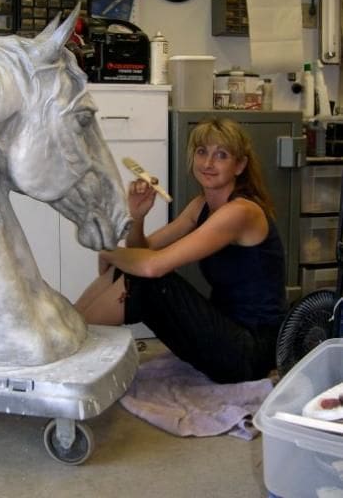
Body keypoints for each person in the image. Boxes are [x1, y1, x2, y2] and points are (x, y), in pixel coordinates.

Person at [75, 117, 288, 383]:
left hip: (252, 351)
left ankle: (69, 343)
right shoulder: (200, 206)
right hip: (226, 333)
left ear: (240, 165)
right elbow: (141, 252)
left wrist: (107, 251)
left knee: (145, 281)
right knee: (131, 271)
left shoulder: (241, 212)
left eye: (221, 155)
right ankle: (69, 332)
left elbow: (151, 267)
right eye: (202, 152)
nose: (208, 163)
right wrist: (137, 216)